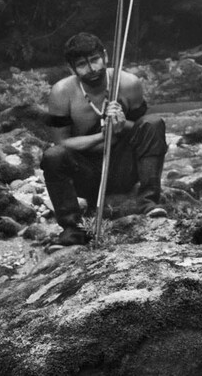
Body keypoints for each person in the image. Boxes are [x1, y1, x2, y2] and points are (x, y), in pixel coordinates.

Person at [41, 32, 167, 246]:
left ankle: (148, 202)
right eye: (82, 64)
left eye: (95, 60)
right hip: (87, 175)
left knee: (154, 123)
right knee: (52, 156)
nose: (92, 70)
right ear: (72, 68)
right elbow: (61, 143)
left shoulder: (128, 83)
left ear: (105, 56)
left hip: (124, 169)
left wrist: (121, 126)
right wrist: (102, 135)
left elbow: (142, 130)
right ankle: (73, 228)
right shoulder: (61, 93)